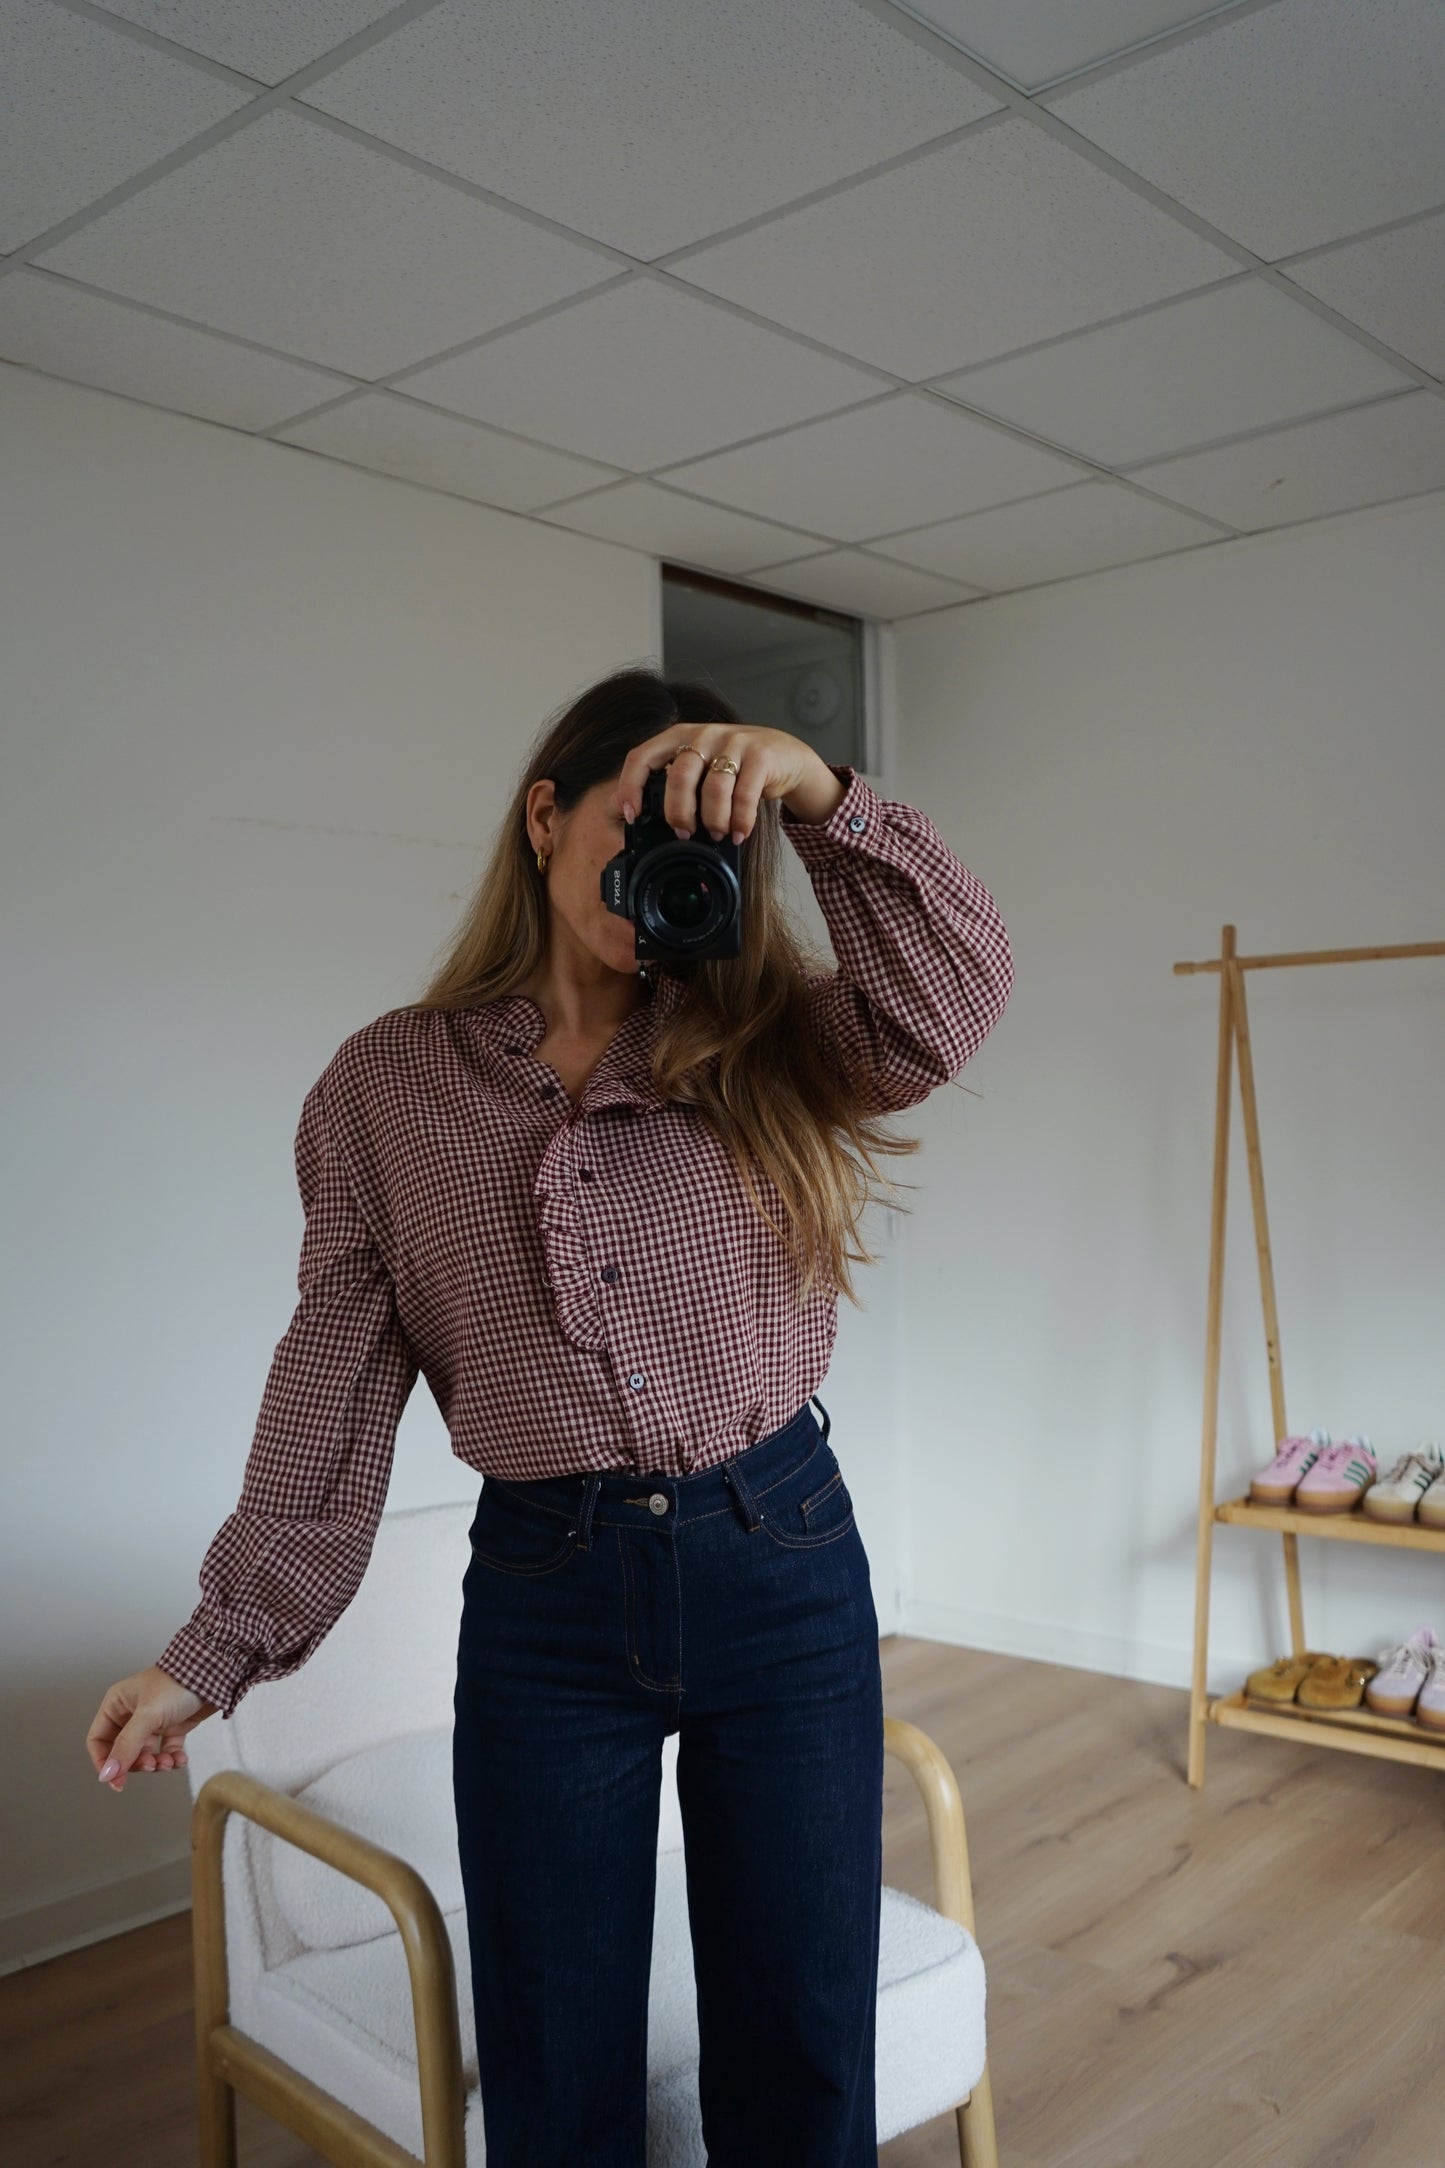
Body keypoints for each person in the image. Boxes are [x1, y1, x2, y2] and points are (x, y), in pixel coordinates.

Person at [86, 664, 1013, 2165]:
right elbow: (331, 1378)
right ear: (543, 817)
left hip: (779, 1559)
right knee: (551, 2047)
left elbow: (951, 998)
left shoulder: (771, 1040)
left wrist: (821, 795)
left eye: (713, 841)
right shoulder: (382, 1089)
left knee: (799, 2038)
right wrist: (217, 1649)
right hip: (546, 1597)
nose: (667, 867)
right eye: (639, 819)